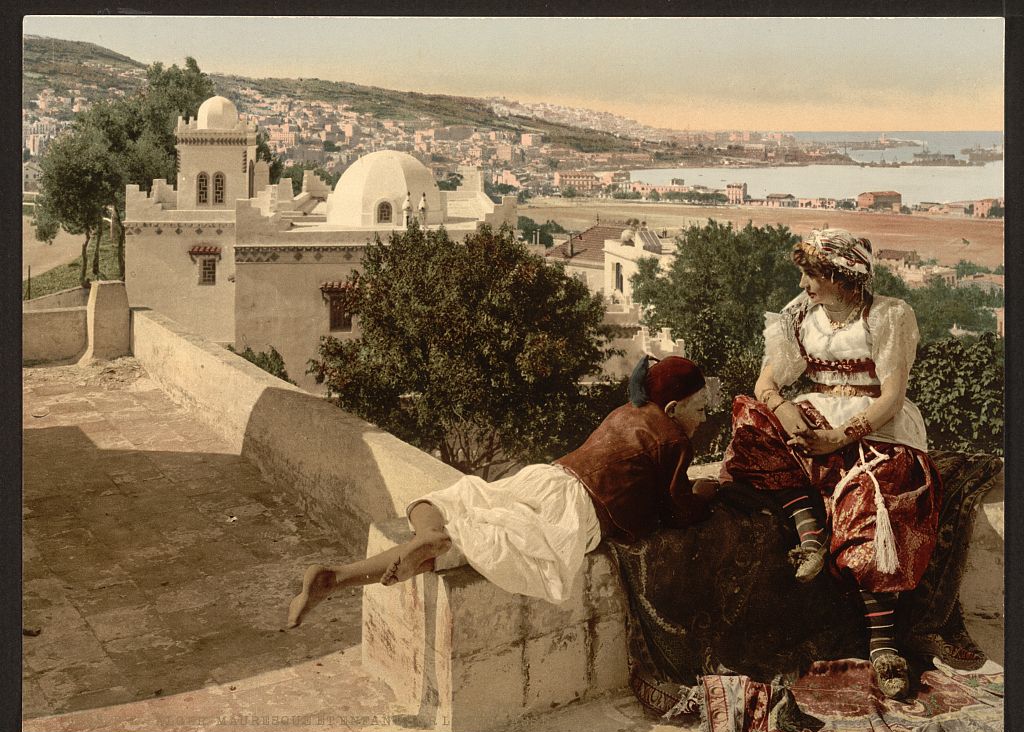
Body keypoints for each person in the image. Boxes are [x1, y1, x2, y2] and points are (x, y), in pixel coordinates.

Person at [287, 355, 717, 628]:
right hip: (578, 509)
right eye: (701, 409)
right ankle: (431, 542)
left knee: (455, 501)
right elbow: (678, 512)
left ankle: (339, 577)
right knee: (484, 543)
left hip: (547, 478)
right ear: (675, 408)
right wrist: (706, 492)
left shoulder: (628, 410)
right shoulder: (673, 437)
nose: (704, 418)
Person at [720, 228, 941, 700]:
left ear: (846, 278)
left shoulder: (888, 316)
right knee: (750, 423)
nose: (804, 283)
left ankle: (883, 647)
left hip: (875, 426)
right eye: (803, 272)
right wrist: (785, 411)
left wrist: (837, 439)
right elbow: (766, 383)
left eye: (814, 274)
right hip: (812, 417)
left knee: (877, 501)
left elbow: (892, 398)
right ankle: (811, 537)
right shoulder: (797, 315)